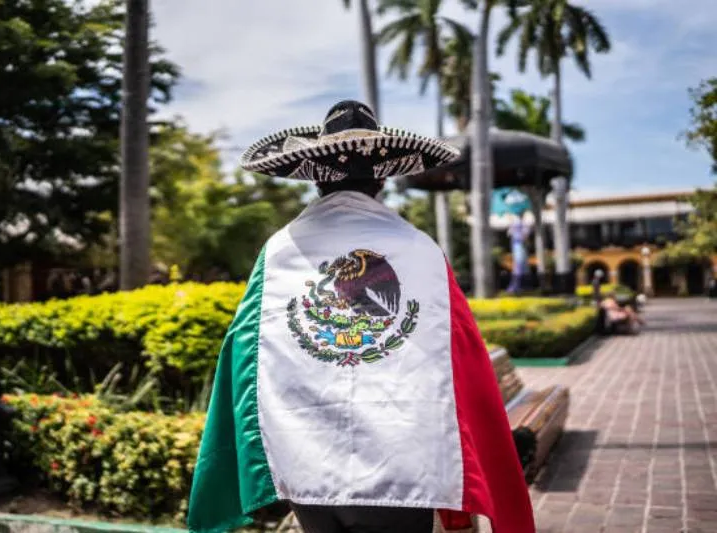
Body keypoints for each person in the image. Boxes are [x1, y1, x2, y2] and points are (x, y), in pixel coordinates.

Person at [186, 101, 535, 533]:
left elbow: (244, 354)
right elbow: (461, 353)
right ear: (382, 179)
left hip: (307, 463)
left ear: (316, 179)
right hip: (403, 467)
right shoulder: (420, 249)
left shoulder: (279, 251)